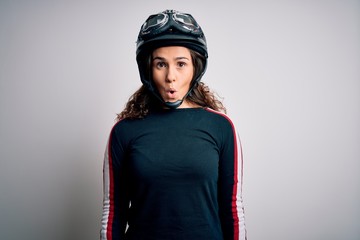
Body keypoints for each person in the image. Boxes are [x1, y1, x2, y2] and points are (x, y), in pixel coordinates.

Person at [100, 9, 247, 240]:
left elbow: (233, 210)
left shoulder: (222, 127)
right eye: (160, 64)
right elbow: (113, 212)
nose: (171, 76)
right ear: (147, 69)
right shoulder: (124, 131)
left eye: (181, 64)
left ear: (195, 68)